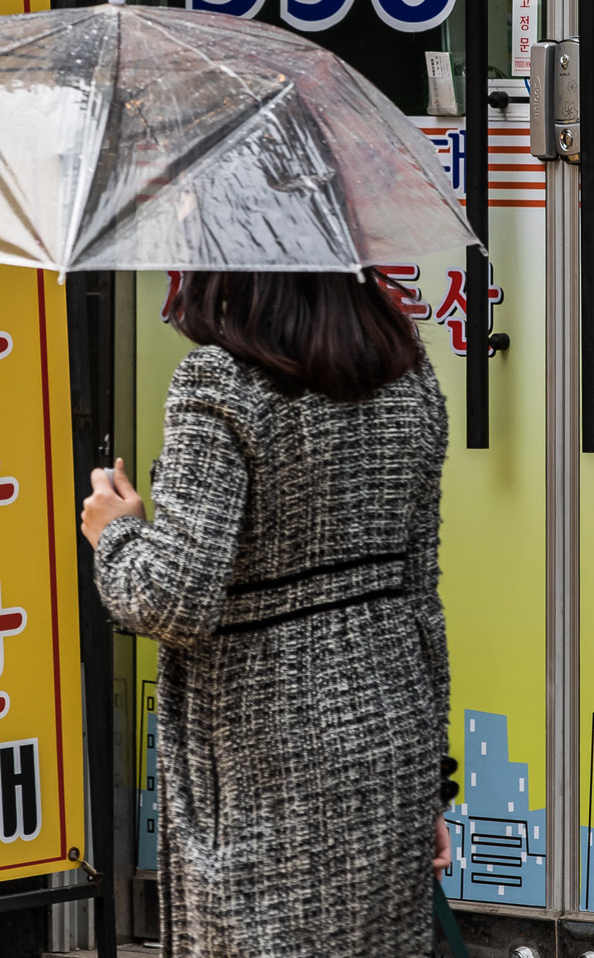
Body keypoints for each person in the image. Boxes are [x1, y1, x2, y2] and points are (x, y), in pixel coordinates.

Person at [83, 270, 453, 956]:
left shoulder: (219, 381)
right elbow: (421, 598)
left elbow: (172, 598)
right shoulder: (408, 375)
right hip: (390, 731)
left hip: (262, 749)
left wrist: (117, 531)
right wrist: (429, 781)